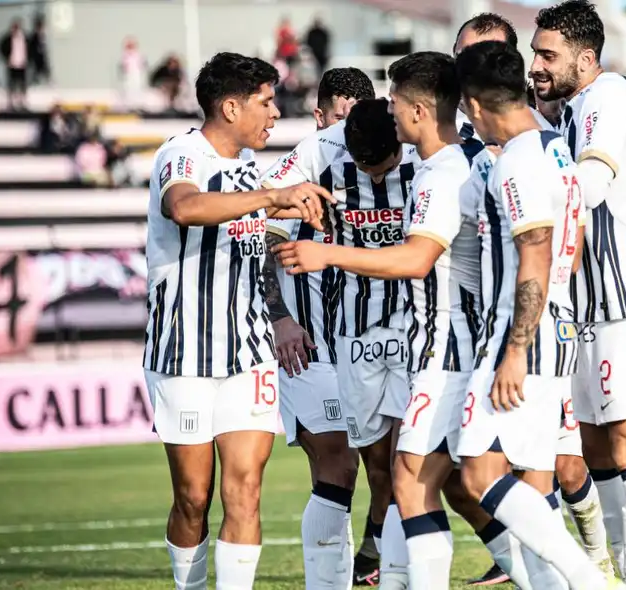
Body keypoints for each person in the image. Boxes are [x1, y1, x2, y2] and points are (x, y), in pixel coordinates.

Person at [276, 50, 489, 589]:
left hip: (423, 334)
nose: (375, 175)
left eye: (384, 166)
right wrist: (284, 209)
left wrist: (327, 253)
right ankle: (388, 564)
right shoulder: (317, 151)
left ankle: (398, 568)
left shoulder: (441, 153)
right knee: (384, 469)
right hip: (351, 333)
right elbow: (261, 218)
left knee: (418, 469)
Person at [142, 51, 329, 590]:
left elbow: (253, 243)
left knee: (245, 490)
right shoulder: (182, 154)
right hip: (185, 353)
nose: (275, 114)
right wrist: (272, 197)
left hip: (248, 352)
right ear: (230, 107)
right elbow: (185, 207)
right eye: (266, 102)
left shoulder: (247, 168)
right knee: (193, 498)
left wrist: (286, 214)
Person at [454, 39, 620, 590]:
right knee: (529, 479)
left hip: (524, 331)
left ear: (475, 106)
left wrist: (516, 349)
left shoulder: (518, 162)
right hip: (557, 324)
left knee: (478, 471)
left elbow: (537, 250)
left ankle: (590, 581)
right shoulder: (555, 150)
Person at [531, 1, 626, 588]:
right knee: (592, 444)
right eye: (533, 52)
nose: (534, 64)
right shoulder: (569, 109)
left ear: (586, 59)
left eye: (547, 54)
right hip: (583, 297)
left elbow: (593, 180)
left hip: (624, 292)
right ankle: (610, 575)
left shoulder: (606, 96)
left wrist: (533, 205)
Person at [259, 66, 375, 590]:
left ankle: (372, 560)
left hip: (380, 338)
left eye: (358, 115)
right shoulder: (310, 156)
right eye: (339, 116)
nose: (347, 128)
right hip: (312, 343)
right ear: (321, 115)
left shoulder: (398, 153)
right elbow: (265, 236)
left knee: (395, 467)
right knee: (337, 460)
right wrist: (280, 317)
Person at [0, 18, 28, 111]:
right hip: (12, 64)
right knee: (12, 84)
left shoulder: (24, 37)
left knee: (22, 83)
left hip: (22, 64)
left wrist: (27, 59)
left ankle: (22, 102)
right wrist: (7, 59)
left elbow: (29, 49)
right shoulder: (8, 38)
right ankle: (10, 103)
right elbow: (0, 47)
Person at [28, 13, 50, 86]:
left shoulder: (42, 35)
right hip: (37, 58)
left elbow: (43, 46)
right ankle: (32, 84)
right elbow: (32, 47)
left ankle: (48, 83)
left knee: (45, 72)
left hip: (42, 57)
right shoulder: (34, 36)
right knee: (37, 72)